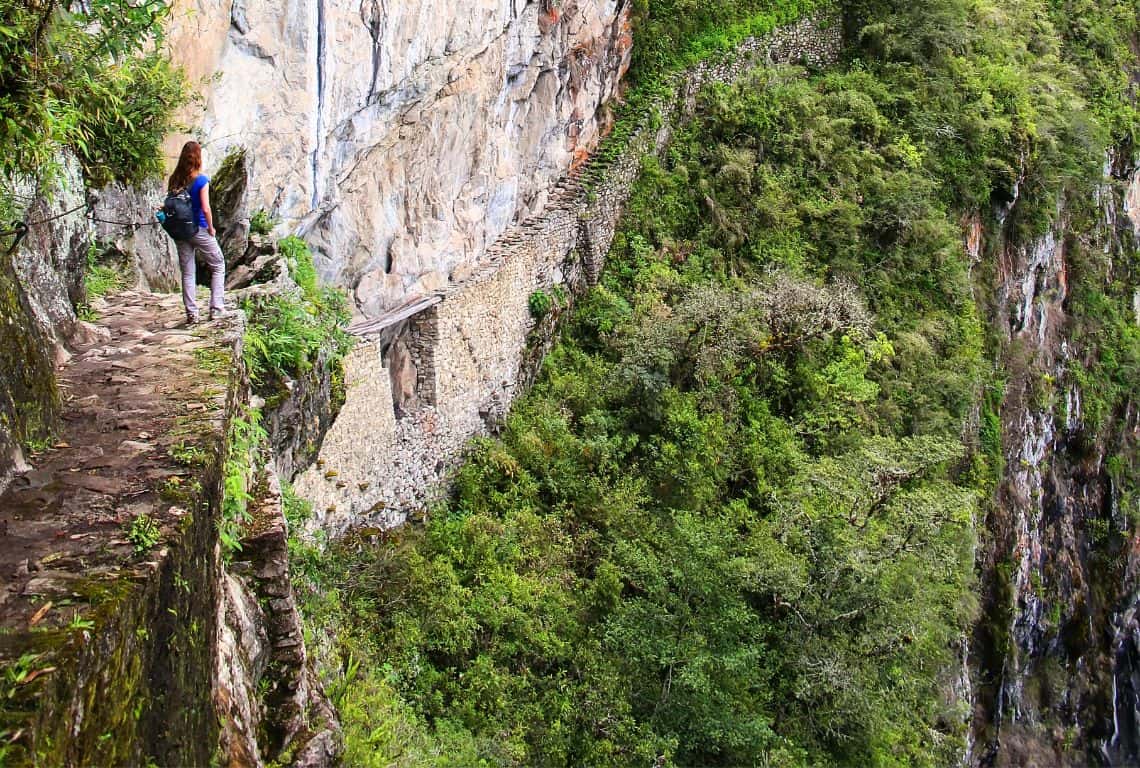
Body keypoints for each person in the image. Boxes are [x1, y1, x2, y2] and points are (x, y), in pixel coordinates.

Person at [167, 141, 229, 324]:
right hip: (199, 229)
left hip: (180, 231)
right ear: (198, 158)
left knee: (188, 273)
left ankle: (192, 314)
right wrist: (211, 228)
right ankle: (216, 308)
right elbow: (206, 208)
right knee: (218, 265)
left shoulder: (174, 180)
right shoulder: (201, 180)